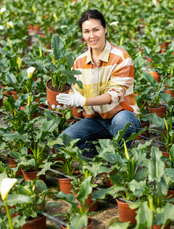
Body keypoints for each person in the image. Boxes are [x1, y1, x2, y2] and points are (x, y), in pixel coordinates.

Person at [55, 9, 140, 157]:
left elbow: (114, 95)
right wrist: (63, 102)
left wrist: (84, 100)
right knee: (61, 144)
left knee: (124, 123)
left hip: (119, 116)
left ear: (105, 29)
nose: (92, 36)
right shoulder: (79, 62)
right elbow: (74, 95)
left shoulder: (121, 57)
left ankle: (120, 157)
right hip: (94, 121)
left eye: (96, 30)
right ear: (82, 34)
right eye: (86, 31)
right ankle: (100, 159)